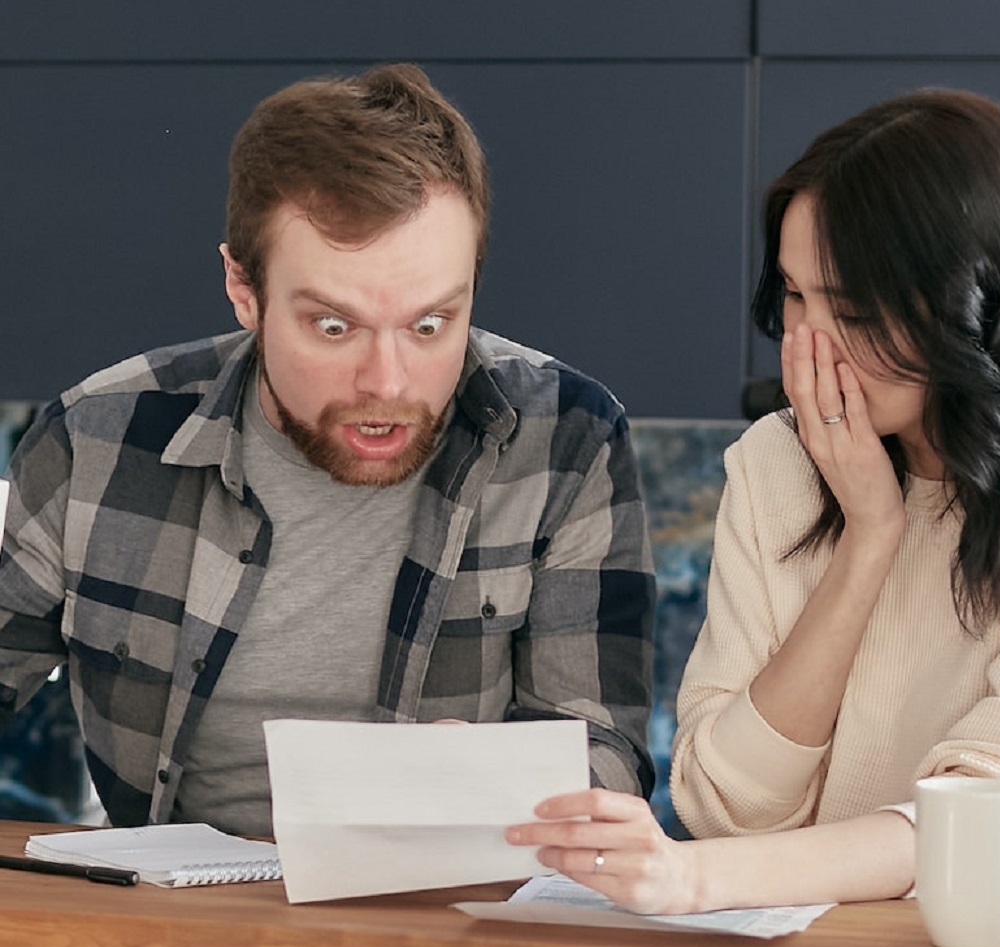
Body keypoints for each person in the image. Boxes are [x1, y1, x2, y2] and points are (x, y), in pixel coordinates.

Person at [506, 88, 1000, 914]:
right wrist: (870, 534)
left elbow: (992, 817)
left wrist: (691, 878)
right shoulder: (777, 465)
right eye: (796, 298)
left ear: (977, 301)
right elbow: (725, 807)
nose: (812, 346)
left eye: (857, 311)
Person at [0, 63, 655, 837]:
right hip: (170, 931)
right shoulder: (96, 439)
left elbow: (605, 758)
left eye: (430, 325)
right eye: (334, 327)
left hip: (454, 930)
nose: (387, 381)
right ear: (244, 290)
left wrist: (488, 778)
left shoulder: (567, 438)